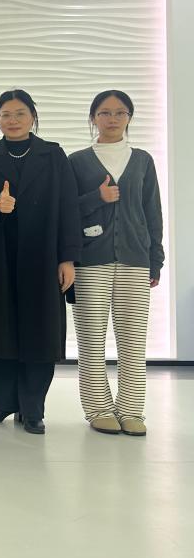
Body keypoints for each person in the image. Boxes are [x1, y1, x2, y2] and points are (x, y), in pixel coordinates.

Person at [0, 89, 81, 435]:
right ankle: (2, 403)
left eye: (20, 113)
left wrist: (67, 258)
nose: (13, 120)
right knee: (0, 331)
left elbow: (69, 207)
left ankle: (32, 409)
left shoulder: (53, 155)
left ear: (33, 117)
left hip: (43, 255)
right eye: (5, 114)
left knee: (40, 333)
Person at [69, 90, 163, 437]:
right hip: (90, 260)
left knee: (133, 342)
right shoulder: (77, 161)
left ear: (129, 118)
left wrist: (156, 260)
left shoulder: (143, 160)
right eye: (105, 113)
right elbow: (66, 211)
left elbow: (152, 212)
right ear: (93, 118)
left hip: (135, 259)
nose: (112, 119)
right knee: (91, 340)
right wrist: (98, 197)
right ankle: (98, 408)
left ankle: (132, 410)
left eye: (120, 113)